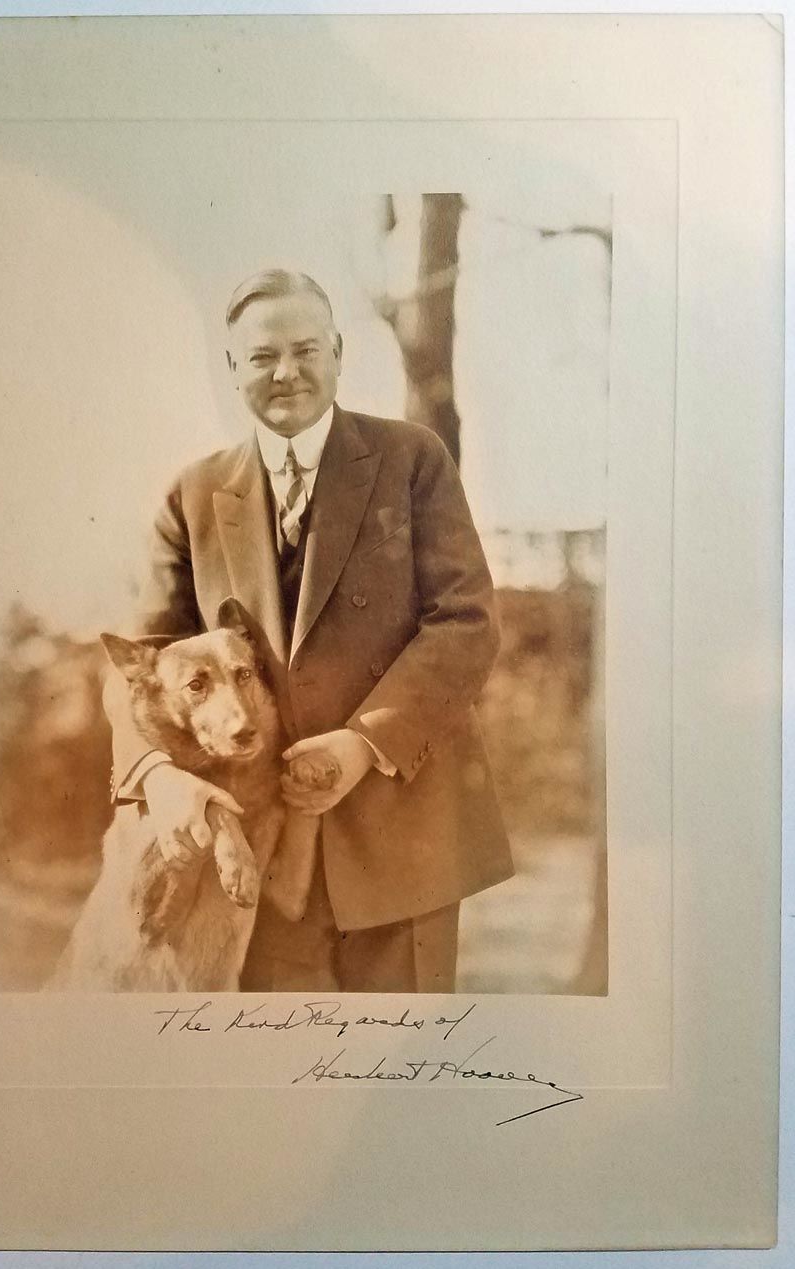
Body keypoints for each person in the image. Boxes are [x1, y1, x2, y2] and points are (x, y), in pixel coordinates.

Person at [105, 268, 513, 992]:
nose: (286, 372)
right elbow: (139, 668)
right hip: (256, 856)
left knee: (407, 1075)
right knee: (279, 1083)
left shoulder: (412, 459)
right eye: (262, 357)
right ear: (233, 370)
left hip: (402, 842)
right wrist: (158, 775)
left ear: (338, 351)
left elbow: (467, 623)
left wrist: (364, 744)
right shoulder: (192, 493)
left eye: (305, 349)